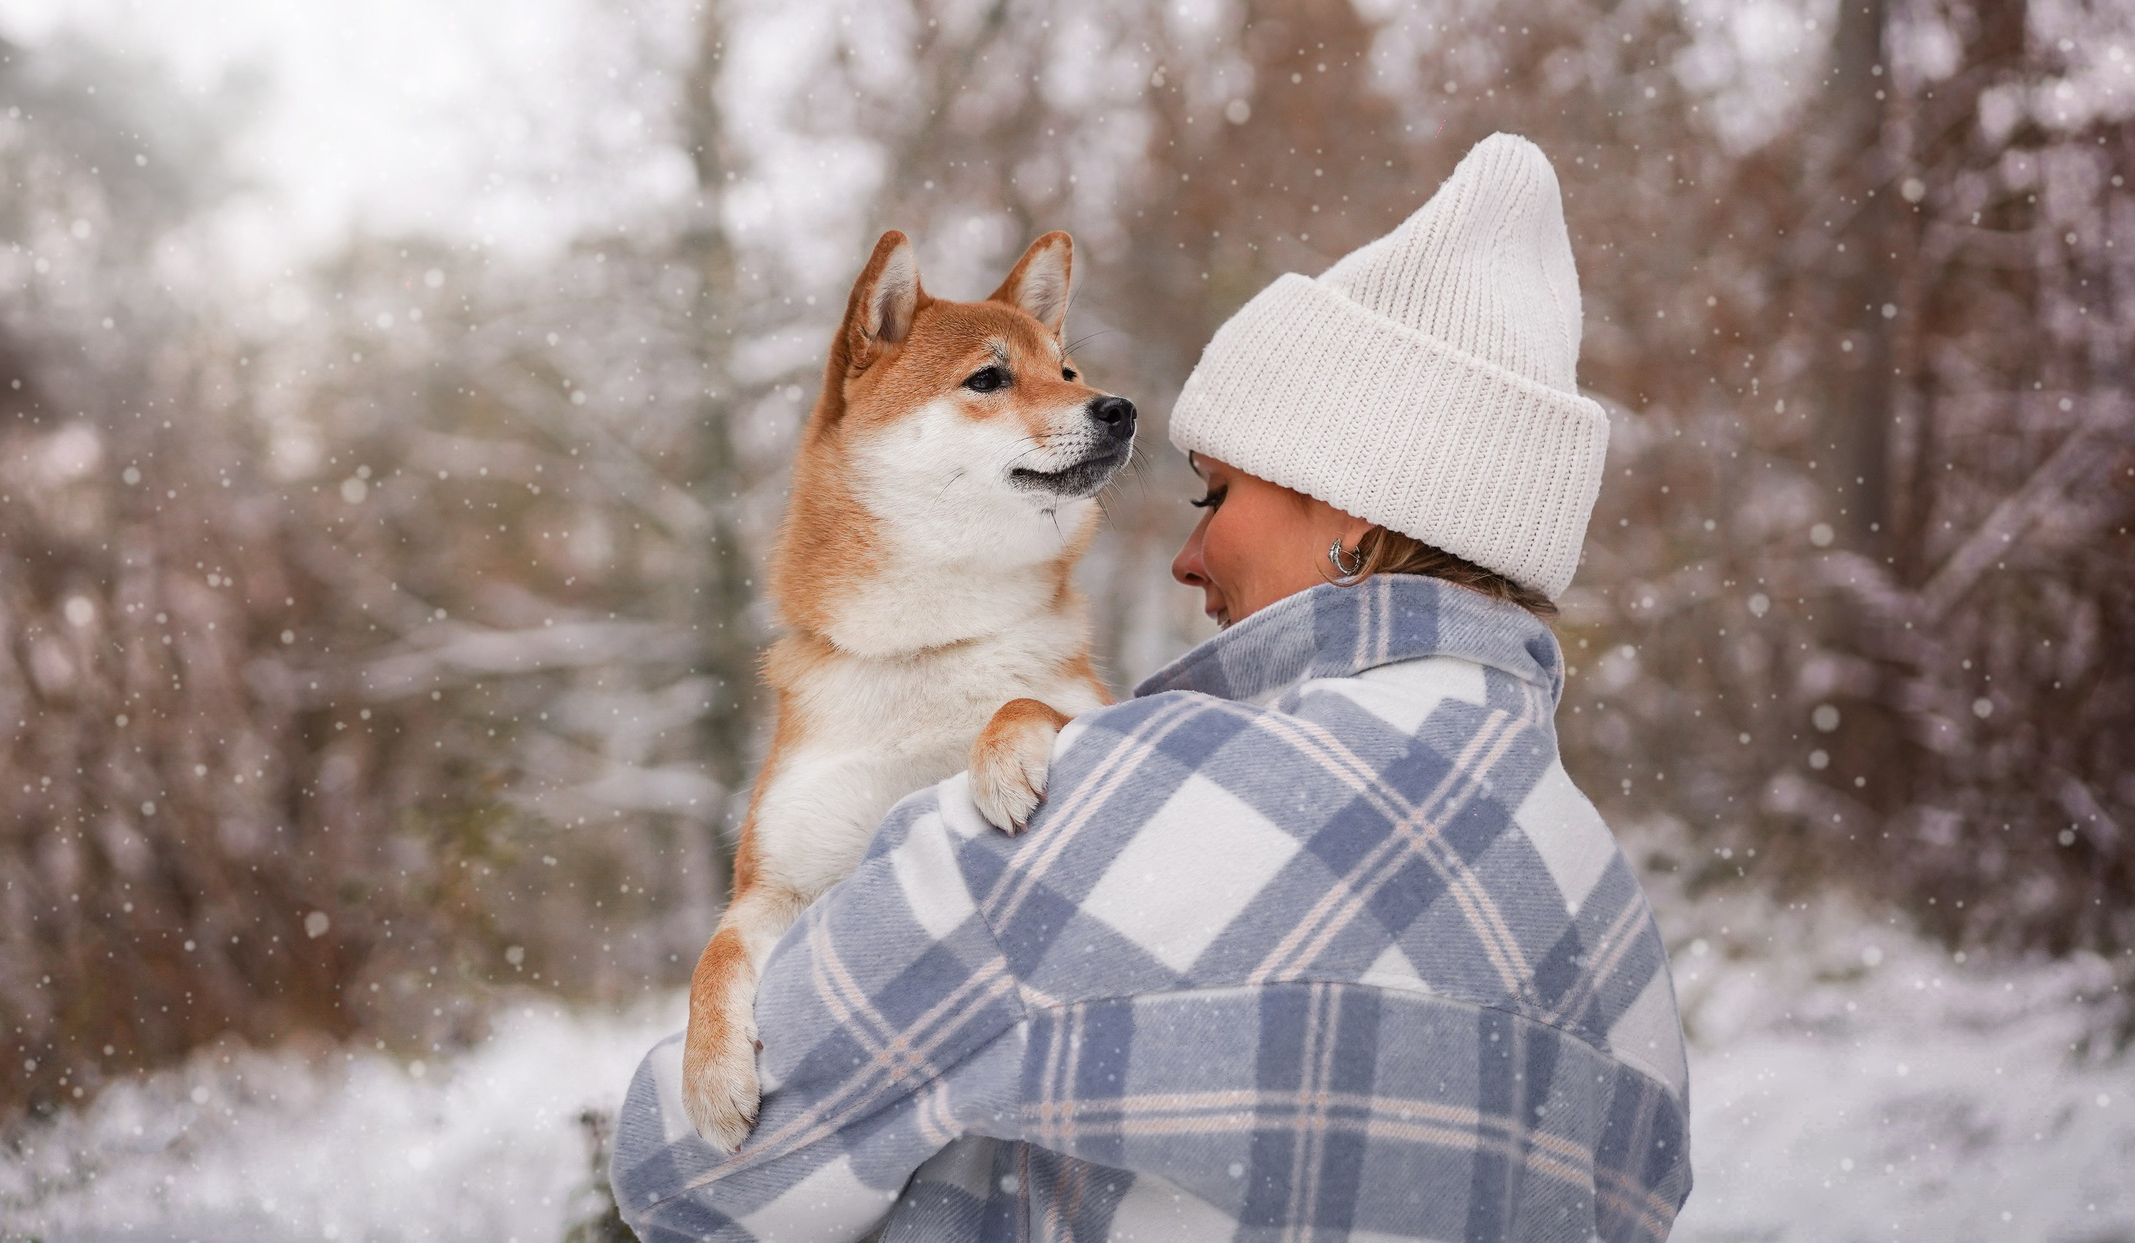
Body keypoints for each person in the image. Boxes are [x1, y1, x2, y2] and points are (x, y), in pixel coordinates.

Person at [609, 134, 1693, 1242]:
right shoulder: (1615, 933)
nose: (1186, 559)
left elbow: (690, 1180)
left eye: (1212, 498)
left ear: (1357, 510)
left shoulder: (1106, 810)